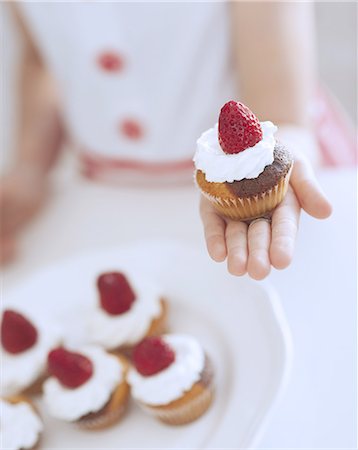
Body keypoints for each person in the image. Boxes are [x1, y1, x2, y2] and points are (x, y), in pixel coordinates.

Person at [0, 2, 333, 279]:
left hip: (236, 180)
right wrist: (31, 165)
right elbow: (40, 58)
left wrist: (284, 156)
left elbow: (282, 115)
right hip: (106, 194)